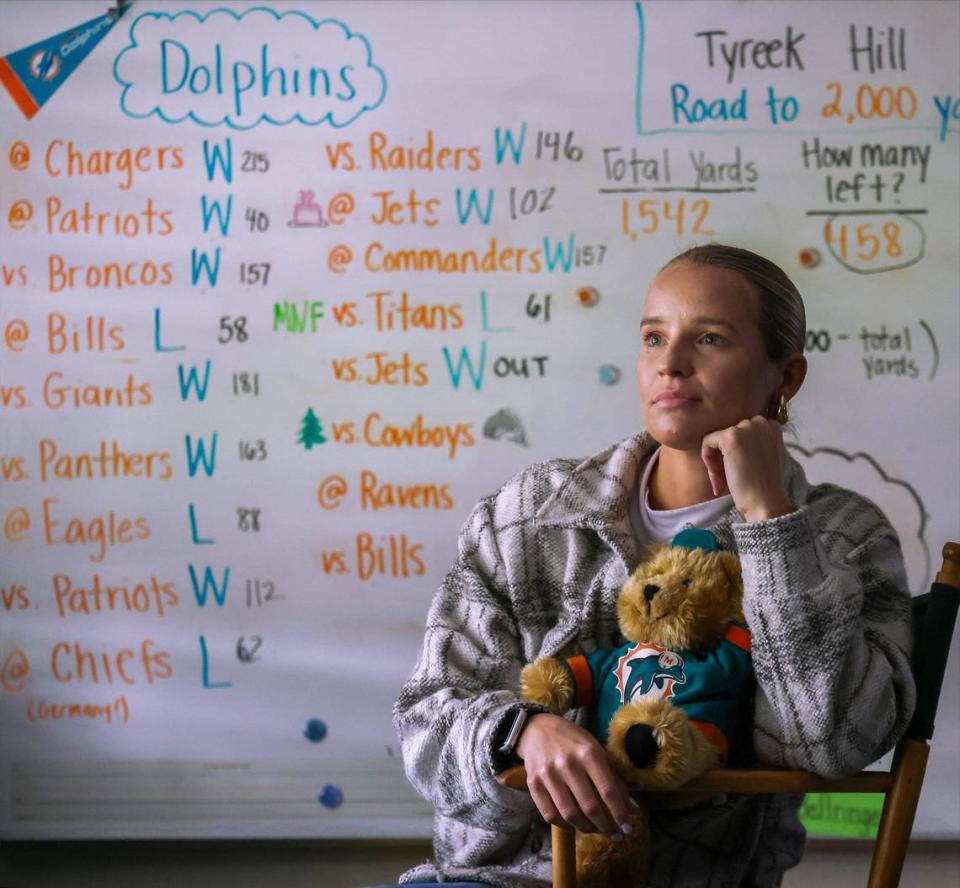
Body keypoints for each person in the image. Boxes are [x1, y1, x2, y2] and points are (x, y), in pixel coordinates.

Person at [382, 244, 916, 888]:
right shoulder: (531, 513)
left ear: (786, 377)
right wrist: (524, 731)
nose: (670, 363)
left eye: (710, 338)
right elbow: (427, 718)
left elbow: (830, 744)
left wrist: (772, 521)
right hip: (501, 880)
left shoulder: (844, 537)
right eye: (654, 337)